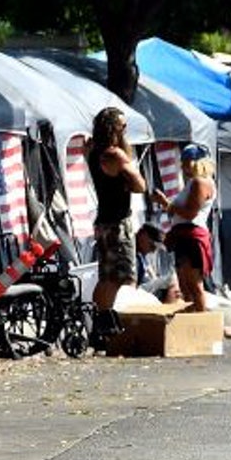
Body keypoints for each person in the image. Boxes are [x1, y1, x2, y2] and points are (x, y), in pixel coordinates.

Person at [88, 106, 147, 327]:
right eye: (123, 126)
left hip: (103, 220)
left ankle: (99, 322)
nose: (125, 130)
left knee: (106, 277)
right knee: (125, 278)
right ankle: (123, 322)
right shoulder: (116, 154)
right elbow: (140, 185)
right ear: (115, 128)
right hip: (118, 222)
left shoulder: (94, 152)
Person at [151, 144, 217, 313]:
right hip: (185, 236)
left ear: (197, 163)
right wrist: (168, 205)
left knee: (193, 285)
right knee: (186, 286)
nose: (183, 167)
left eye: (186, 162)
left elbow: (190, 213)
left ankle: (200, 323)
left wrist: (166, 203)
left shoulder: (199, 182)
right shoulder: (193, 183)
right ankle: (191, 323)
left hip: (192, 236)